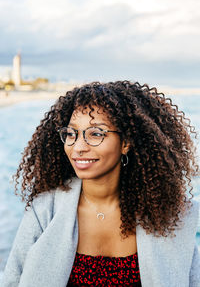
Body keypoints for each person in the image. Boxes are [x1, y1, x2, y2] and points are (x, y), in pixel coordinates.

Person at [2, 81, 200, 287]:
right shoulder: (44, 211)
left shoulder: (169, 215)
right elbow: (12, 281)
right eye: (71, 134)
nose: (78, 147)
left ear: (126, 143)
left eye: (96, 134)